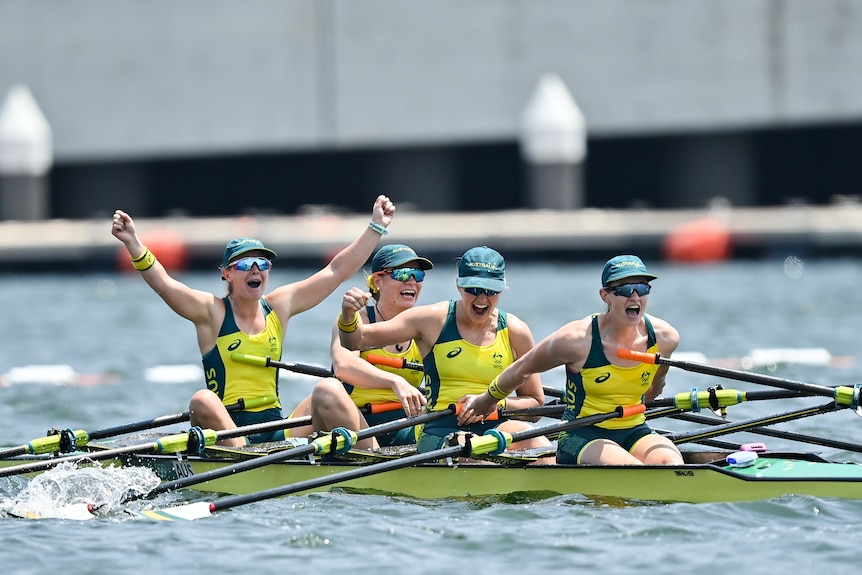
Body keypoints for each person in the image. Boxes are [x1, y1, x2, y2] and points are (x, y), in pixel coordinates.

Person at [111, 195, 397, 447]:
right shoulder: (211, 313)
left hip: (277, 429)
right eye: (246, 264)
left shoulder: (279, 306)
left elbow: (335, 271)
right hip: (228, 428)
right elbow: (165, 285)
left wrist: (376, 227)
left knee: (329, 390)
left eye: (263, 264)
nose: (256, 270)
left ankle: (372, 458)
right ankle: (242, 459)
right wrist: (133, 243)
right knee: (202, 400)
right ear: (227, 274)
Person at [458, 255, 684, 465]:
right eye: (624, 289)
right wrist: (488, 399)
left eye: (642, 288)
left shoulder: (665, 338)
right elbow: (522, 367)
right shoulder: (575, 340)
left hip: (635, 430)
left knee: (673, 465)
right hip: (582, 434)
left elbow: (655, 389)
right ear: (605, 296)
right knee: (632, 470)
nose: (634, 296)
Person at [337, 246, 552, 457]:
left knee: (542, 446)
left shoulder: (516, 331)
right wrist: (348, 316)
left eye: (491, 291)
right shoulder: (432, 320)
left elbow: (534, 403)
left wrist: (493, 401)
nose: (482, 299)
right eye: (473, 289)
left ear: (502, 288)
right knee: (473, 451)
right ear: (459, 285)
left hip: (499, 426)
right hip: (442, 429)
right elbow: (355, 341)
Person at [289, 244, 434, 450]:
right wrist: (395, 381)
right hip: (352, 423)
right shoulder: (356, 319)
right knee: (327, 389)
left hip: (402, 426)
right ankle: (374, 458)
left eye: (417, 275)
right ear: (377, 281)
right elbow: (343, 366)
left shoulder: (425, 325)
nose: (411, 281)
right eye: (402, 274)